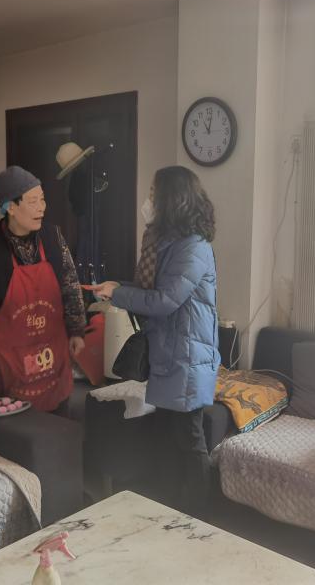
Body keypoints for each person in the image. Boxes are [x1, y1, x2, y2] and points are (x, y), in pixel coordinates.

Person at [92, 165, 220, 514]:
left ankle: (200, 516)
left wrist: (120, 294)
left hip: (188, 357)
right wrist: (116, 287)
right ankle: (172, 510)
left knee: (188, 439)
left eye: (153, 193)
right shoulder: (166, 242)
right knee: (169, 436)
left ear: (171, 199)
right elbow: (152, 290)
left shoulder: (193, 248)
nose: (148, 201)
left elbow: (165, 301)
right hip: (170, 352)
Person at [0, 166, 86, 412]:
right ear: (10, 207)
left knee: (60, 422)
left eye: (42, 199)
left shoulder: (53, 237)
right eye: (33, 201)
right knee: (16, 425)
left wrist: (76, 329)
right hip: (10, 362)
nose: (42, 208)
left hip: (52, 355)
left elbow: (70, 284)